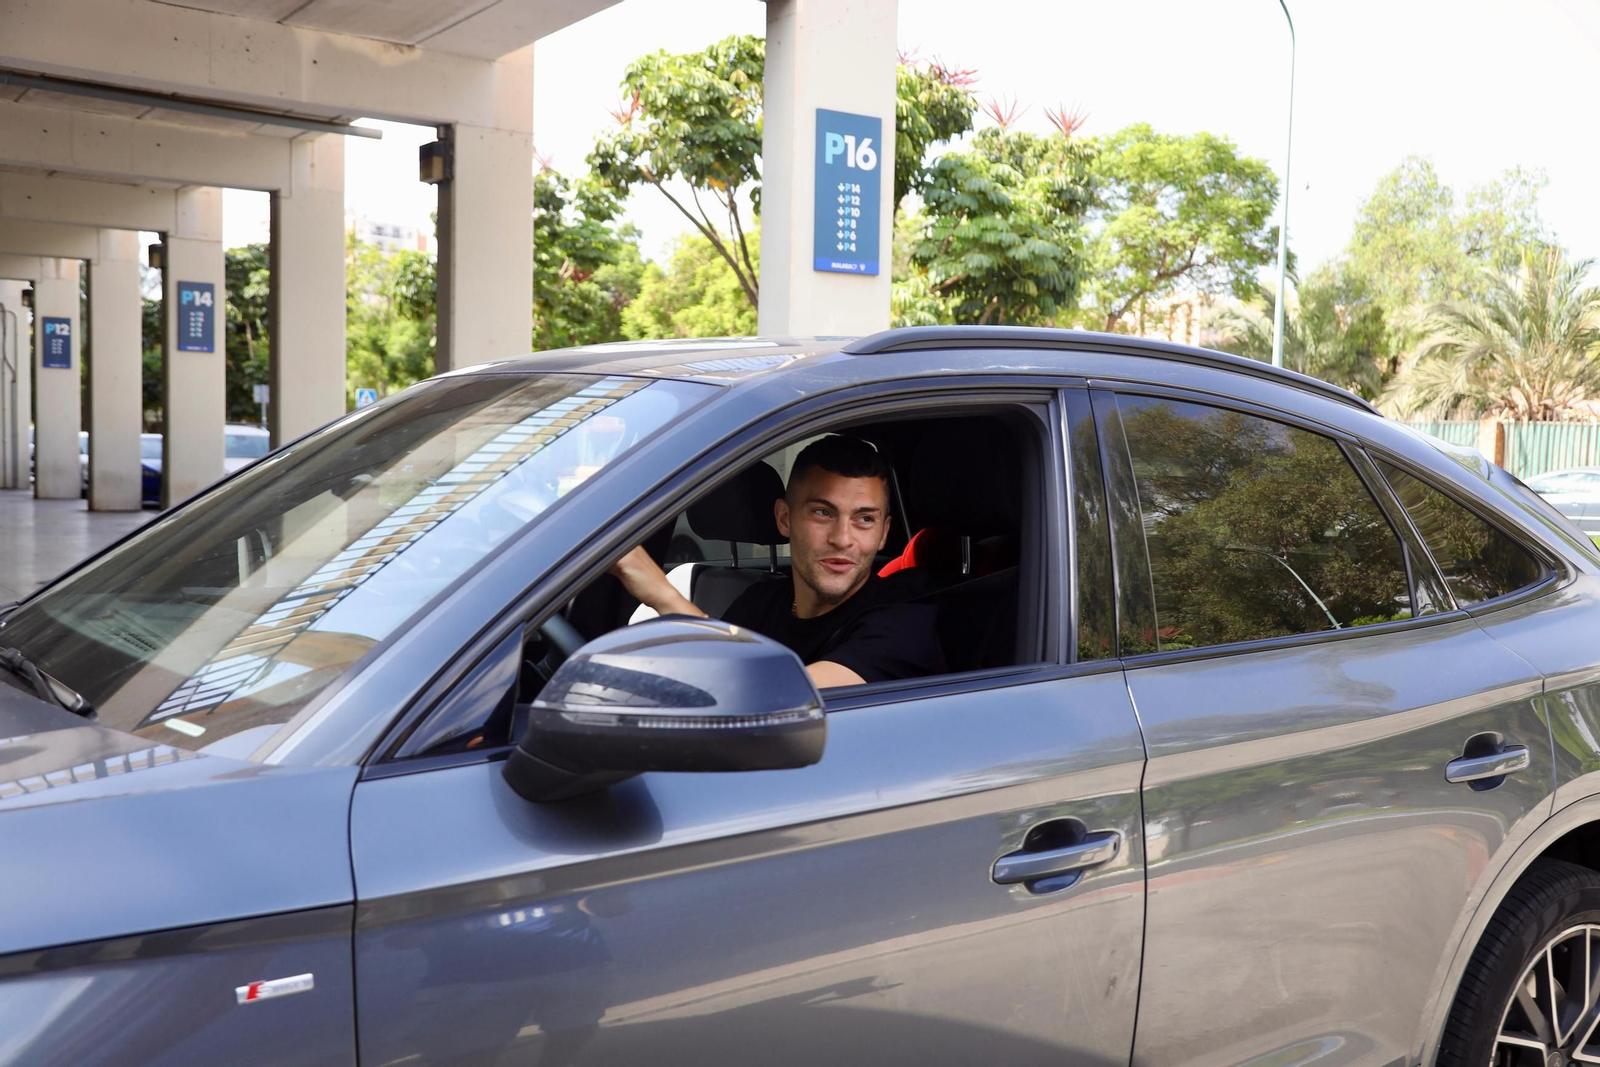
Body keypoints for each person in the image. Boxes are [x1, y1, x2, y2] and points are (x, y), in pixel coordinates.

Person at [610, 435, 947, 688]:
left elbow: (761, 692)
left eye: (865, 519)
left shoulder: (905, 625)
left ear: (884, 533)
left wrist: (662, 596)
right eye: (822, 513)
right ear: (784, 519)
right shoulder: (760, 604)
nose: (843, 538)